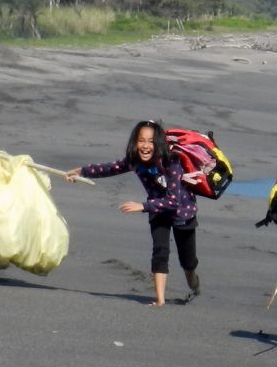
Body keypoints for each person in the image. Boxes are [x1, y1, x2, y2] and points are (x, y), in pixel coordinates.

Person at [66, 121, 201, 306]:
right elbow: (109, 168)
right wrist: (81, 172)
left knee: (188, 261)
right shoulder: (134, 161)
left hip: (182, 211)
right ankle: (160, 300)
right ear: (134, 142)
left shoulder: (171, 161)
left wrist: (142, 206)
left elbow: (173, 201)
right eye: (141, 140)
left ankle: (192, 278)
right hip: (156, 209)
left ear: (159, 143)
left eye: (151, 141)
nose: (145, 146)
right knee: (160, 251)